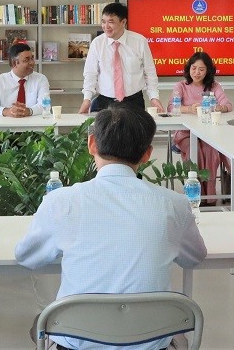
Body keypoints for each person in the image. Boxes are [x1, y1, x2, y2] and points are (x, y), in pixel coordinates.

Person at [15, 105, 207, 350]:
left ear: (91, 144)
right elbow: (195, 258)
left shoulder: (61, 201)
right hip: (150, 343)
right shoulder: (174, 204)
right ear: (147, 154)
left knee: (40, 325)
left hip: (76, 343)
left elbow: (27, 257)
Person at [79, 3, 164, 113]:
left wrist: (154, 97)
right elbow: (90, 73)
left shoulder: (139, 41)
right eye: (103, 22)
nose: (106, 26)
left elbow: (150, 72)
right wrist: (87, 99)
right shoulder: (97, 43)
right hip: (105, 101)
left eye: (111, 22)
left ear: (123, 22)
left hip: (134, 101)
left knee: (134, 130)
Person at [171, 53, 233, 201]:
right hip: (185, 133)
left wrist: (219, 108)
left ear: (208, 71)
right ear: (188, 68)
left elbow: (228, 106)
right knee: (195, 150)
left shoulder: (214, 86)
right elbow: (172, 108)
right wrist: (189, 109)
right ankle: (195, 194)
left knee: (210, 149)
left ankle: (209, 197)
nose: (196, 73)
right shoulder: (181, 86)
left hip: (208, 132)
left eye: (201, 69)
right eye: (194, 68)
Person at [0, 42, 50, 117]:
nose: (32, 63)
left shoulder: (41, 79)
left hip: (34, 125)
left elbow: (45, 106)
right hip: (6, 126)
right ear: (14, 63)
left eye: (32, 58)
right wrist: (7, 111)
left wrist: (28, 111)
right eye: (26, 60)